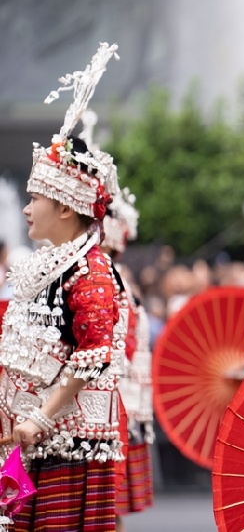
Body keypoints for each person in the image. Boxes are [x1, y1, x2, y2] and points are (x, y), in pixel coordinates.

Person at [0, 43, 126, 530]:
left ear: (67, 209)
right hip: (25, 433)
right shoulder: (41, 265)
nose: (26, 209)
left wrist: (42, 416)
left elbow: (93, 355)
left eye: (35, 198)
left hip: (64, 442)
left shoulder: (90, 272)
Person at [101, 187, 154, 530]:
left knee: (104, 510)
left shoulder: (113, 281)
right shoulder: (115, 280)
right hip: (110, 402)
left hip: (109, 404)